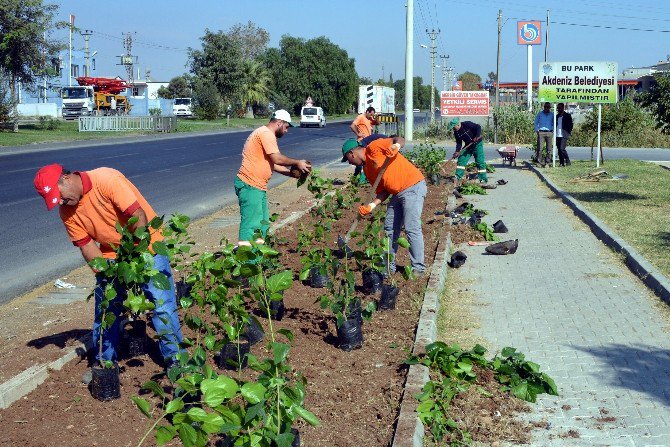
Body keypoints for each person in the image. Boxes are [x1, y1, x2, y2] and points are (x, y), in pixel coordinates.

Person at [33, 164, 185, 367]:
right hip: (111, 253)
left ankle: (177, 363)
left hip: (146, 246)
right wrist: (106, 274)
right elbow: (87, 247)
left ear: (67, 179)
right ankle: (105, 364)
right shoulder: (66, 212)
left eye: (59, 196)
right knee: (106, 311)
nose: (61, 202)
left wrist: (135, 256)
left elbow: (138, 216)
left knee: (162, 306)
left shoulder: (106, 180)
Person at [341, 137, 427, 276]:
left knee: (411, 227)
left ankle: (418, 269)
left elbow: (399, 138)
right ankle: (388, 267)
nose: (350, 163)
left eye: (348, 159)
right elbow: (383, 191)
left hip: (413, 186)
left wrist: (396, 146)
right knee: (389, 229)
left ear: (352, 153)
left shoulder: (374, 147)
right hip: (396, 193)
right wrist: (371, 206)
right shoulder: (367, 170)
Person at [235, 109, 311, 246]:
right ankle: (246, 262)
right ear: (279, 123)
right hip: (250, 185)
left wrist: (289, 173)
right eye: (286, 127)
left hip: (257, 187)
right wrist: (297, 162)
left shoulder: (264, 134)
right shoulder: (266, 134)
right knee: (251, 226)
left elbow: (272, 164)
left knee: (262, 225)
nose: (287, 131)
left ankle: (256, 258)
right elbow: (277, 158)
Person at [447, 117, 490, 185]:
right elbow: (459, 143)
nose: (453, 129)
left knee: (480, 161)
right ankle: (457, 177)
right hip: (468, 145)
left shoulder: (467, 124)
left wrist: (476, 136)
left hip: (477, 144)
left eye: (453, 127)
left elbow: (478, 127)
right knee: (461, 158)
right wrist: (457, 151)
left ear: (458, 124)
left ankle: (483, 180)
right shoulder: (456, 133)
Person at [350, 107, 379, 182]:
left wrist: (376, 118)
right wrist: (358, 133)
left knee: (361, 161)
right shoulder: (360, 117)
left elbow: (377, 123)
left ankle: (355, 177)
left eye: (373, 115)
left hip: (368, 142)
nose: (371, 116)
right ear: (367, 112)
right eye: (371, 114)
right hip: (362, 141)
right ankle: (362, 180)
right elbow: (352, 126)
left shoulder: (370, 119)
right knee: (364, 160)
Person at [534, 102, 554, 167]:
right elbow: (536, 122)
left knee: (549, 148)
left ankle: (548, 162)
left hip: (549, 132)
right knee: (540, 148)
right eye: (545, 107)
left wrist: (553, 130)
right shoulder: (540, 114)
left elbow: (554, 123)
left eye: (548, 107)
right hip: (541, 132)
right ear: (544, 107)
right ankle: (539, 162)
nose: (546, 108)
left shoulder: (552, 115)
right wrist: (537, 130)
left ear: (550, 108)